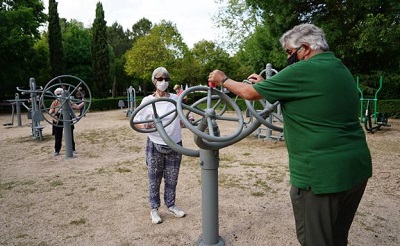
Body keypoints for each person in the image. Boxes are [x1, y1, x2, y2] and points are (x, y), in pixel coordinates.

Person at [208, 24, 372, 246]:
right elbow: (310, 96)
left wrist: (223, 79)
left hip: (321, 177)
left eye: (289, 52)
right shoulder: (340, 68)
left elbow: (248, 92)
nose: (288, 58)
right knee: (336, 238)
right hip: (355, 170)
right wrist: (269, 85)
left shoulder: (303, 70)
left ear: (304, 48)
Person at [134, 67, 186, 224]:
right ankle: (154, 209)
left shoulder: (175, 99)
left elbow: (183, 119)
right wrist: (147, 127)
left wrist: (187, 120)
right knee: (154, 178)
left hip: (175, 143)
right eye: (159, 79)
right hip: (155, 143)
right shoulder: (147, 101)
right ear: (154, 81)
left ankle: (170, 205)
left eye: (166, 79)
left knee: (172, 178)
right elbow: (137, 122)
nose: (163, 82)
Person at [49, 88, 84, 156]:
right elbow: (50, 111)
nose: (59, 95)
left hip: (67, 118)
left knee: (70, 135)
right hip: (58, 120)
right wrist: (54, 116)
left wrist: (83, 102)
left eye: (60, 94)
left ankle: (72, 149)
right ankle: (57, 150)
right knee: (58, 136)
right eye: (57, 94)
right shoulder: (55, 102)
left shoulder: (68, 101)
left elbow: (77, 107)